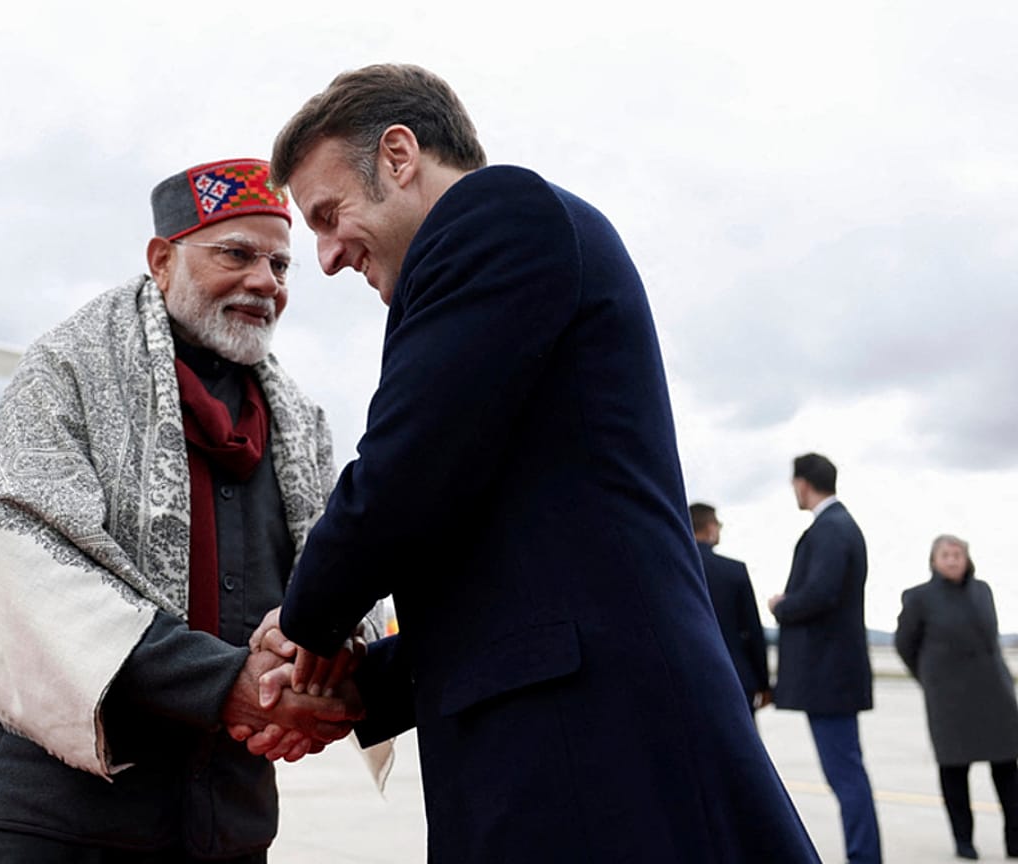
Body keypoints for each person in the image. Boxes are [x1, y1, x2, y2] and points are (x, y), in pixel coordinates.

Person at [250, 64, 818, 862]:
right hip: (567, 743)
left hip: (597, 749)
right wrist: (354, 686)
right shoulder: (493, 262)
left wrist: (303, 624)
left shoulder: (496, 216)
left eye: (328, 213)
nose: (329, 256)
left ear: (401, 155)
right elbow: (513, 577)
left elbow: (407, 466)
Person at [0, 157, 373, 864]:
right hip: (62, 821)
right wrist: (231, 686)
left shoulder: (300, 421)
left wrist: (313, 673)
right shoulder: (64, 376)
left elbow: (333, 574)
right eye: (237, 254)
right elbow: (37, 578)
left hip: (224, 819)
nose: (265, 282)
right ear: (162, 260)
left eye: (281, 265)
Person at [769, 453, 880, 863]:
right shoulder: (838, 526)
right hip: (835, 674)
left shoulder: (830, 529)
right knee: (847, 773)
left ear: (803, 483)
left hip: (829, 675)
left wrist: (782, 605)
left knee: (846, 775)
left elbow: (822, 593)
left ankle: (864, 857)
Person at [895, 534, 1018, 860]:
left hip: (994, 693)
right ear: (934, 560)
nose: (952, 559)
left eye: (958, 554)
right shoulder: (919, 597)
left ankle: (1015, 840)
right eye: (945, 554)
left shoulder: (983, 590)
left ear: (967, 558)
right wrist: (930, 678)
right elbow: (905, 645)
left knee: (1007, 768)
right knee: (954, 770)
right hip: (949, 699)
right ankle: (964, 841)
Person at [690, 502, 771, 714]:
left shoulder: (669, 571)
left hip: (688, 678)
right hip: (735, 676)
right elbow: (753, 631)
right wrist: (763, 682)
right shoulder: (734, 571)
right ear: (710, 527)